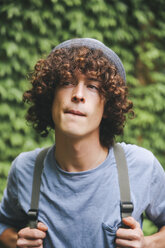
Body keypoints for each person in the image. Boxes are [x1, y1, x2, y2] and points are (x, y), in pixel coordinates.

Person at [0, 38, 165, 248]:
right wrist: (16, 242)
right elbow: (3, 225)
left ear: (108, 107)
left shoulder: (142, 165)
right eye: (67, 82)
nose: (78, 95)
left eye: (93, 87)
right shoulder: (25, 169)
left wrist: (147, 243)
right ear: (50, 96)